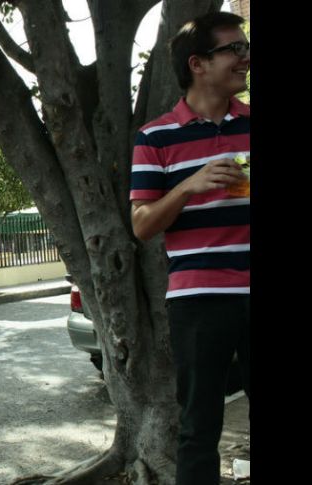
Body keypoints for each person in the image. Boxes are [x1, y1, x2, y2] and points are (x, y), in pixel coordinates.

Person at [129, 11, 250, 485]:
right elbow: (141, 225)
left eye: (245, 47)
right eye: (234, 49)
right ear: (197, 64)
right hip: (198, 299)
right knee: (199, 427)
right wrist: (187, 187)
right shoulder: (155, 137)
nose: (245, 57)